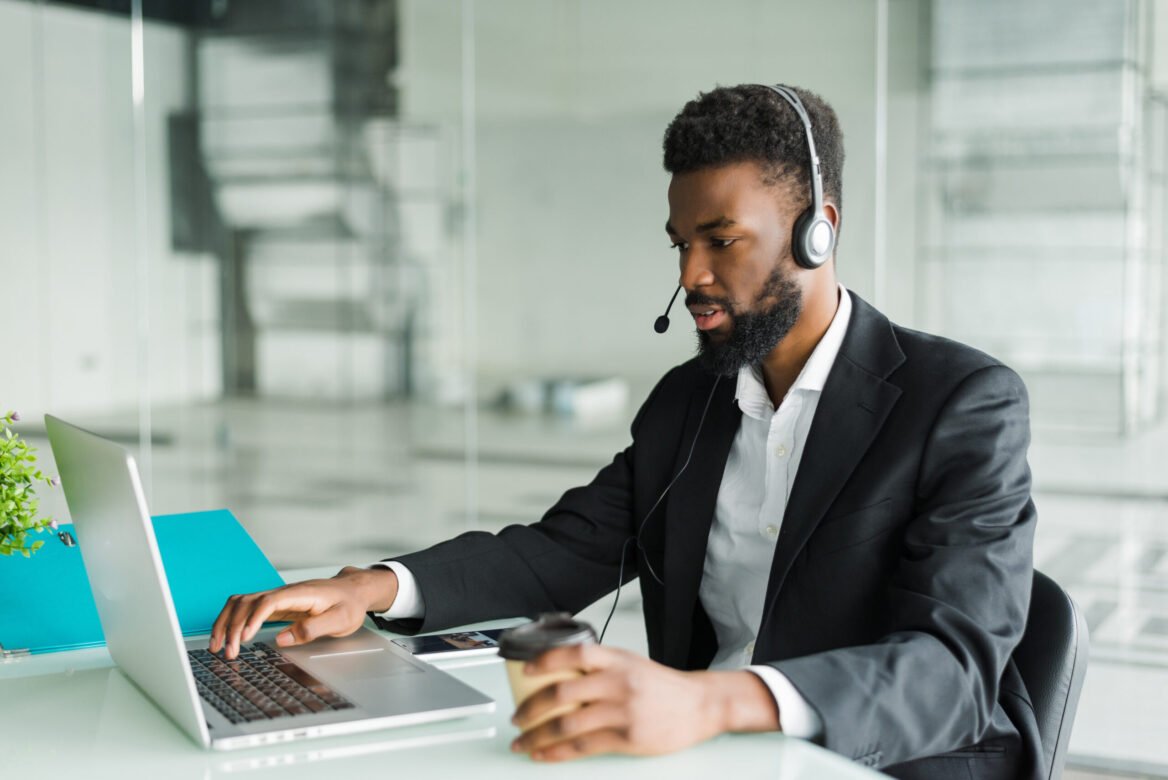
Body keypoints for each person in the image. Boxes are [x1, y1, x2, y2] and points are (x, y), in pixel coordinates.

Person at [210, 84, 1041, 780]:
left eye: (721, 241)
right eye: (682, 245)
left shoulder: (959, 402)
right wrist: (374, 588)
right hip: (703, 750)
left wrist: (710, 699)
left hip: (871, 761)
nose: (690, 278)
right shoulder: (691, 399)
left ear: (815, 230)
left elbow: (954, 673)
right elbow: (563, 551)